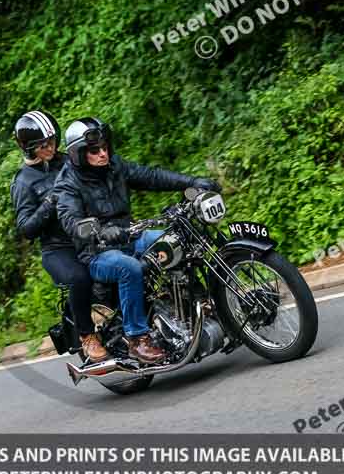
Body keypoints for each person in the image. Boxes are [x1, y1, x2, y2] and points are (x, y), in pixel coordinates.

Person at [54, 117, 220, 364]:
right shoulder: (67, 184)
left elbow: (150, 176)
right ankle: (137, 338)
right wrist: (99, 230)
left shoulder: (115, 166)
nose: (102, 154)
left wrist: (191, 182)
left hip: (131, 237)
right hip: (97, 253)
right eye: (94, 150)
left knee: (175, 238)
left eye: (104, 147)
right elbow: (70, 219)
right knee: (128, 268)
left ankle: (199, 303)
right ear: (78, 154)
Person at [10, 111, 108, 362]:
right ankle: (87, 336)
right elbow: (26, 228)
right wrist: (50, 201)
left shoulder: (68, 162)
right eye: (44, 145)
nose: (50, 147)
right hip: (57, 249)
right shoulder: (23, 182)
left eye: (52, 141)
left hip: (89, 237)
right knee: (79, 278)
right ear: (29, 148)